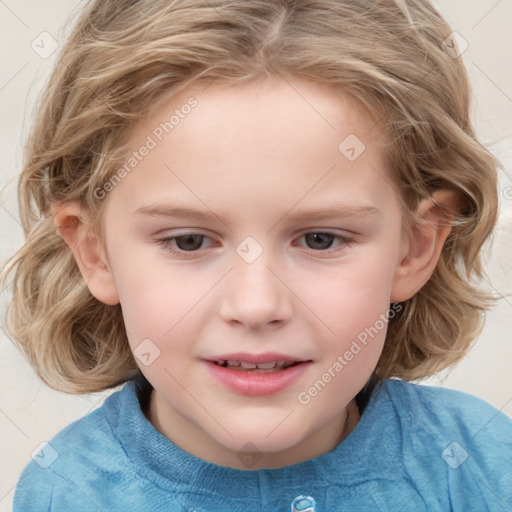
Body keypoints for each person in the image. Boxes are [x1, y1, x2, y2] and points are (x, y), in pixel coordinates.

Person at [2, 0, 511, 510]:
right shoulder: (65, 493)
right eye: (189, 241)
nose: (256, 304)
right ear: (96, 253)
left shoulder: (481, 465)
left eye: (320, 239)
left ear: (416, 246)